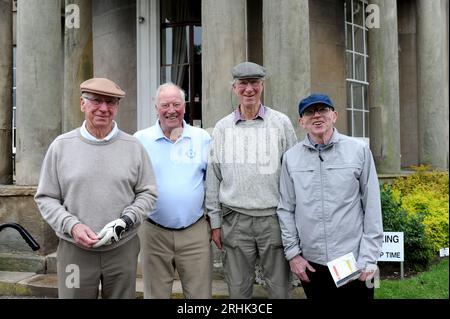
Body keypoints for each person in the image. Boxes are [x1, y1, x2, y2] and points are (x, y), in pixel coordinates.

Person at [34, 78, 158, 299]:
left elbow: (147, 193)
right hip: (75, 251)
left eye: (111, 102)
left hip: (122, 249)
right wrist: (71, 226)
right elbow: (46, 197)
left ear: (117, 107)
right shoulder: (61, 146)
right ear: (83, 104)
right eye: (96, 101)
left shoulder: (134, 147)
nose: (103, 108)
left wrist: (126, 220)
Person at [276, 93, 383, 299]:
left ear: (334, 115)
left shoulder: (359, 150)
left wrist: (369, 259)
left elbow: (372, 206)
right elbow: (286, 208)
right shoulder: (291, 157)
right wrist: (293, 255)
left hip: (354, 259)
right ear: (301, 122)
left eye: (323, 110)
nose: (317, 116)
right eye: (309, 112)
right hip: (312, 262)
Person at [206, 62, 297, 299]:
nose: (249, 89)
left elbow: (294, 172)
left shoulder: (281, 123)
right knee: (238, 291)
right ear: (234, 88)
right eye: (243, 84)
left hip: (274, 219)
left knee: (280, 290)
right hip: (235, 220)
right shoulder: (222, 128)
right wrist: (215, 222)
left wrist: (296, 218)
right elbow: (213, 177)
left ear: (262, 86)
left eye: (254, 83)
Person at [134, 83, 212, 299]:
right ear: (156, 108)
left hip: (194, 231)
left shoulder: (202, 138)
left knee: (200, 296)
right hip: (153, 231)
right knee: (155, 294)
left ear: (184, 107)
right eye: (165, 105)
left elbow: (212, 182)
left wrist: (215, 222)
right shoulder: (140, 140)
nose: (171, 110)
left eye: (176, 104)